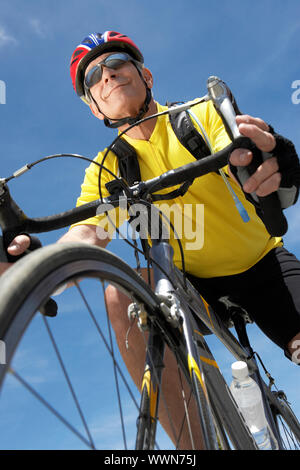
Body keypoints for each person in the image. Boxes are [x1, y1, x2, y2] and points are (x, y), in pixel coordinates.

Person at [1, 30, 300, 448]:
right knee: (119, 295)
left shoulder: (198, 115)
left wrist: (273, 161)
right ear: (93, 107)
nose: (107, 75)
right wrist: (33, 264)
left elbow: (245, 160)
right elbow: (87, 235)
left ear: (147, 76)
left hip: (264, 265)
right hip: (193, 288)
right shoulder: (108, 168)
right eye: (93, 78)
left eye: (118, 62)